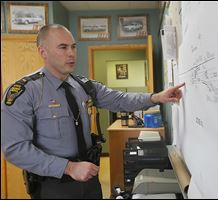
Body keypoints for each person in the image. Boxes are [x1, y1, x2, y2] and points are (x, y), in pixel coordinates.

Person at [1, 24, 185, 199]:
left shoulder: (83, 85)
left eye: (73, 47)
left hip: (89, 180)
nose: (71, 53)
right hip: (53, 185)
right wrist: (69, 168)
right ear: (43, 52)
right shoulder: (25, 92)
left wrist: (155, 98)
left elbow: (119, 99)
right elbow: (15, 149)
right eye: (63, 47)